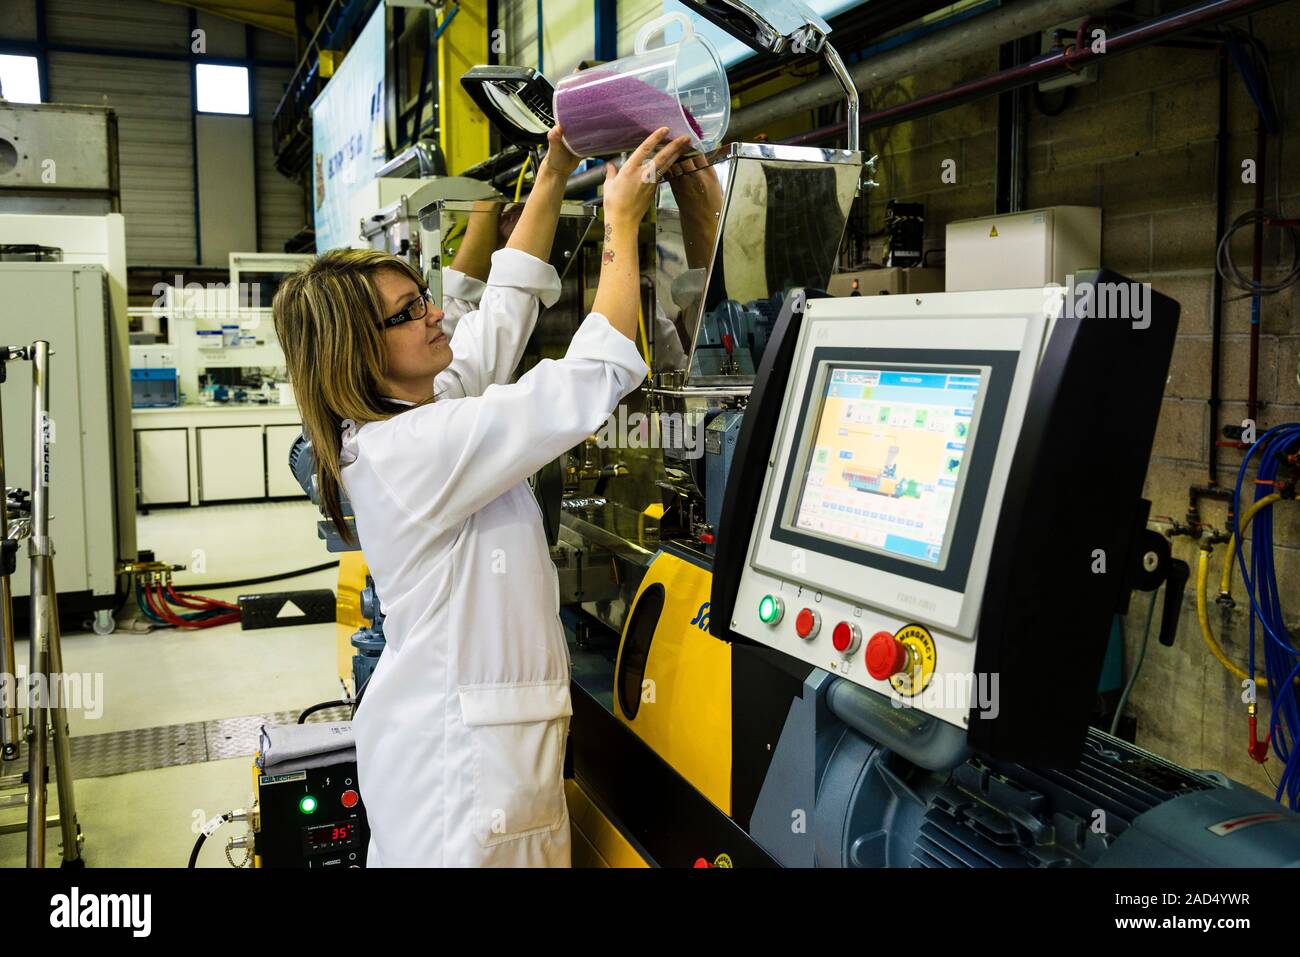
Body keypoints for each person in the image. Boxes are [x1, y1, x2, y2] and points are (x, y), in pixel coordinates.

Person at [272, 125, 692, 866]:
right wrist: (622, 226)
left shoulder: (407, 414)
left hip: (453, 755)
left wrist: (557, 166)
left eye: (420, 299)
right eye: (407, 313)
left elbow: (502, 311)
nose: (435, 313)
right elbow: (588, 377)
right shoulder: (414, 449)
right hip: (464, 780)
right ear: (359, 351)